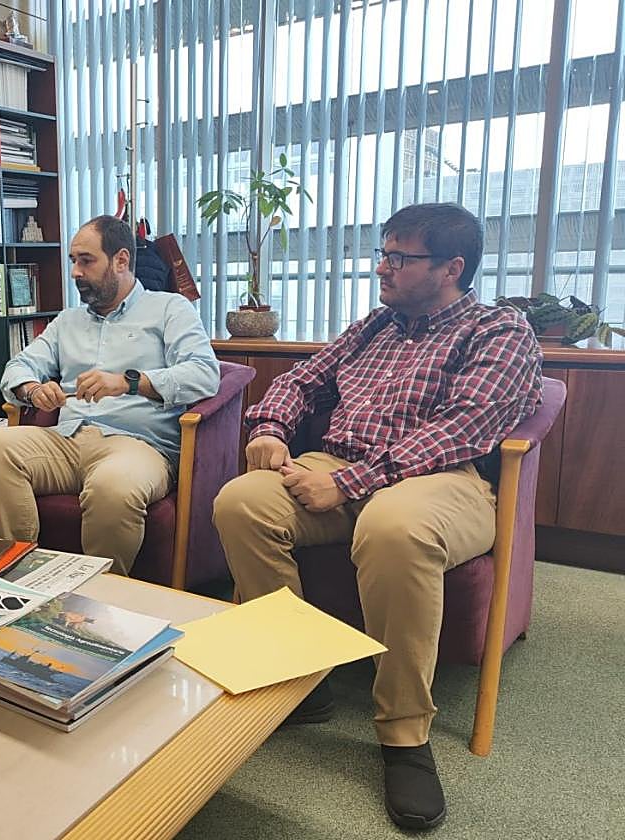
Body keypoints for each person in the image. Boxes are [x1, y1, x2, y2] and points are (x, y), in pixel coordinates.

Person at [212, 202, 543, 830]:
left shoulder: (497, 331)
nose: (383, 268)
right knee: (242, 500)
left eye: (400, 257)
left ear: (452, 267)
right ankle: (296, 676)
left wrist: (350, 482)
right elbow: (301, 380)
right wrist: (273, 428)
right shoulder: (374, 326)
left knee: (394, 527)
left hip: (441, 481)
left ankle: (403, 733)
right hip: (337, 465)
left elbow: (465, 426)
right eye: (382, 254)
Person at [0, 214, 219, 574]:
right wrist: (33, 389)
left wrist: (129, 382)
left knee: (112, 486)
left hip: (138, 444)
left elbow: (204, 374)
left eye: (86, 261)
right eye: (73, 260)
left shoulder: (170, 309)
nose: (75, 271)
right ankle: (22, 574)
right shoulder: (67, 322)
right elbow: (19, 366)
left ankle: (99, 597)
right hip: (66, 440)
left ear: (121, 260)